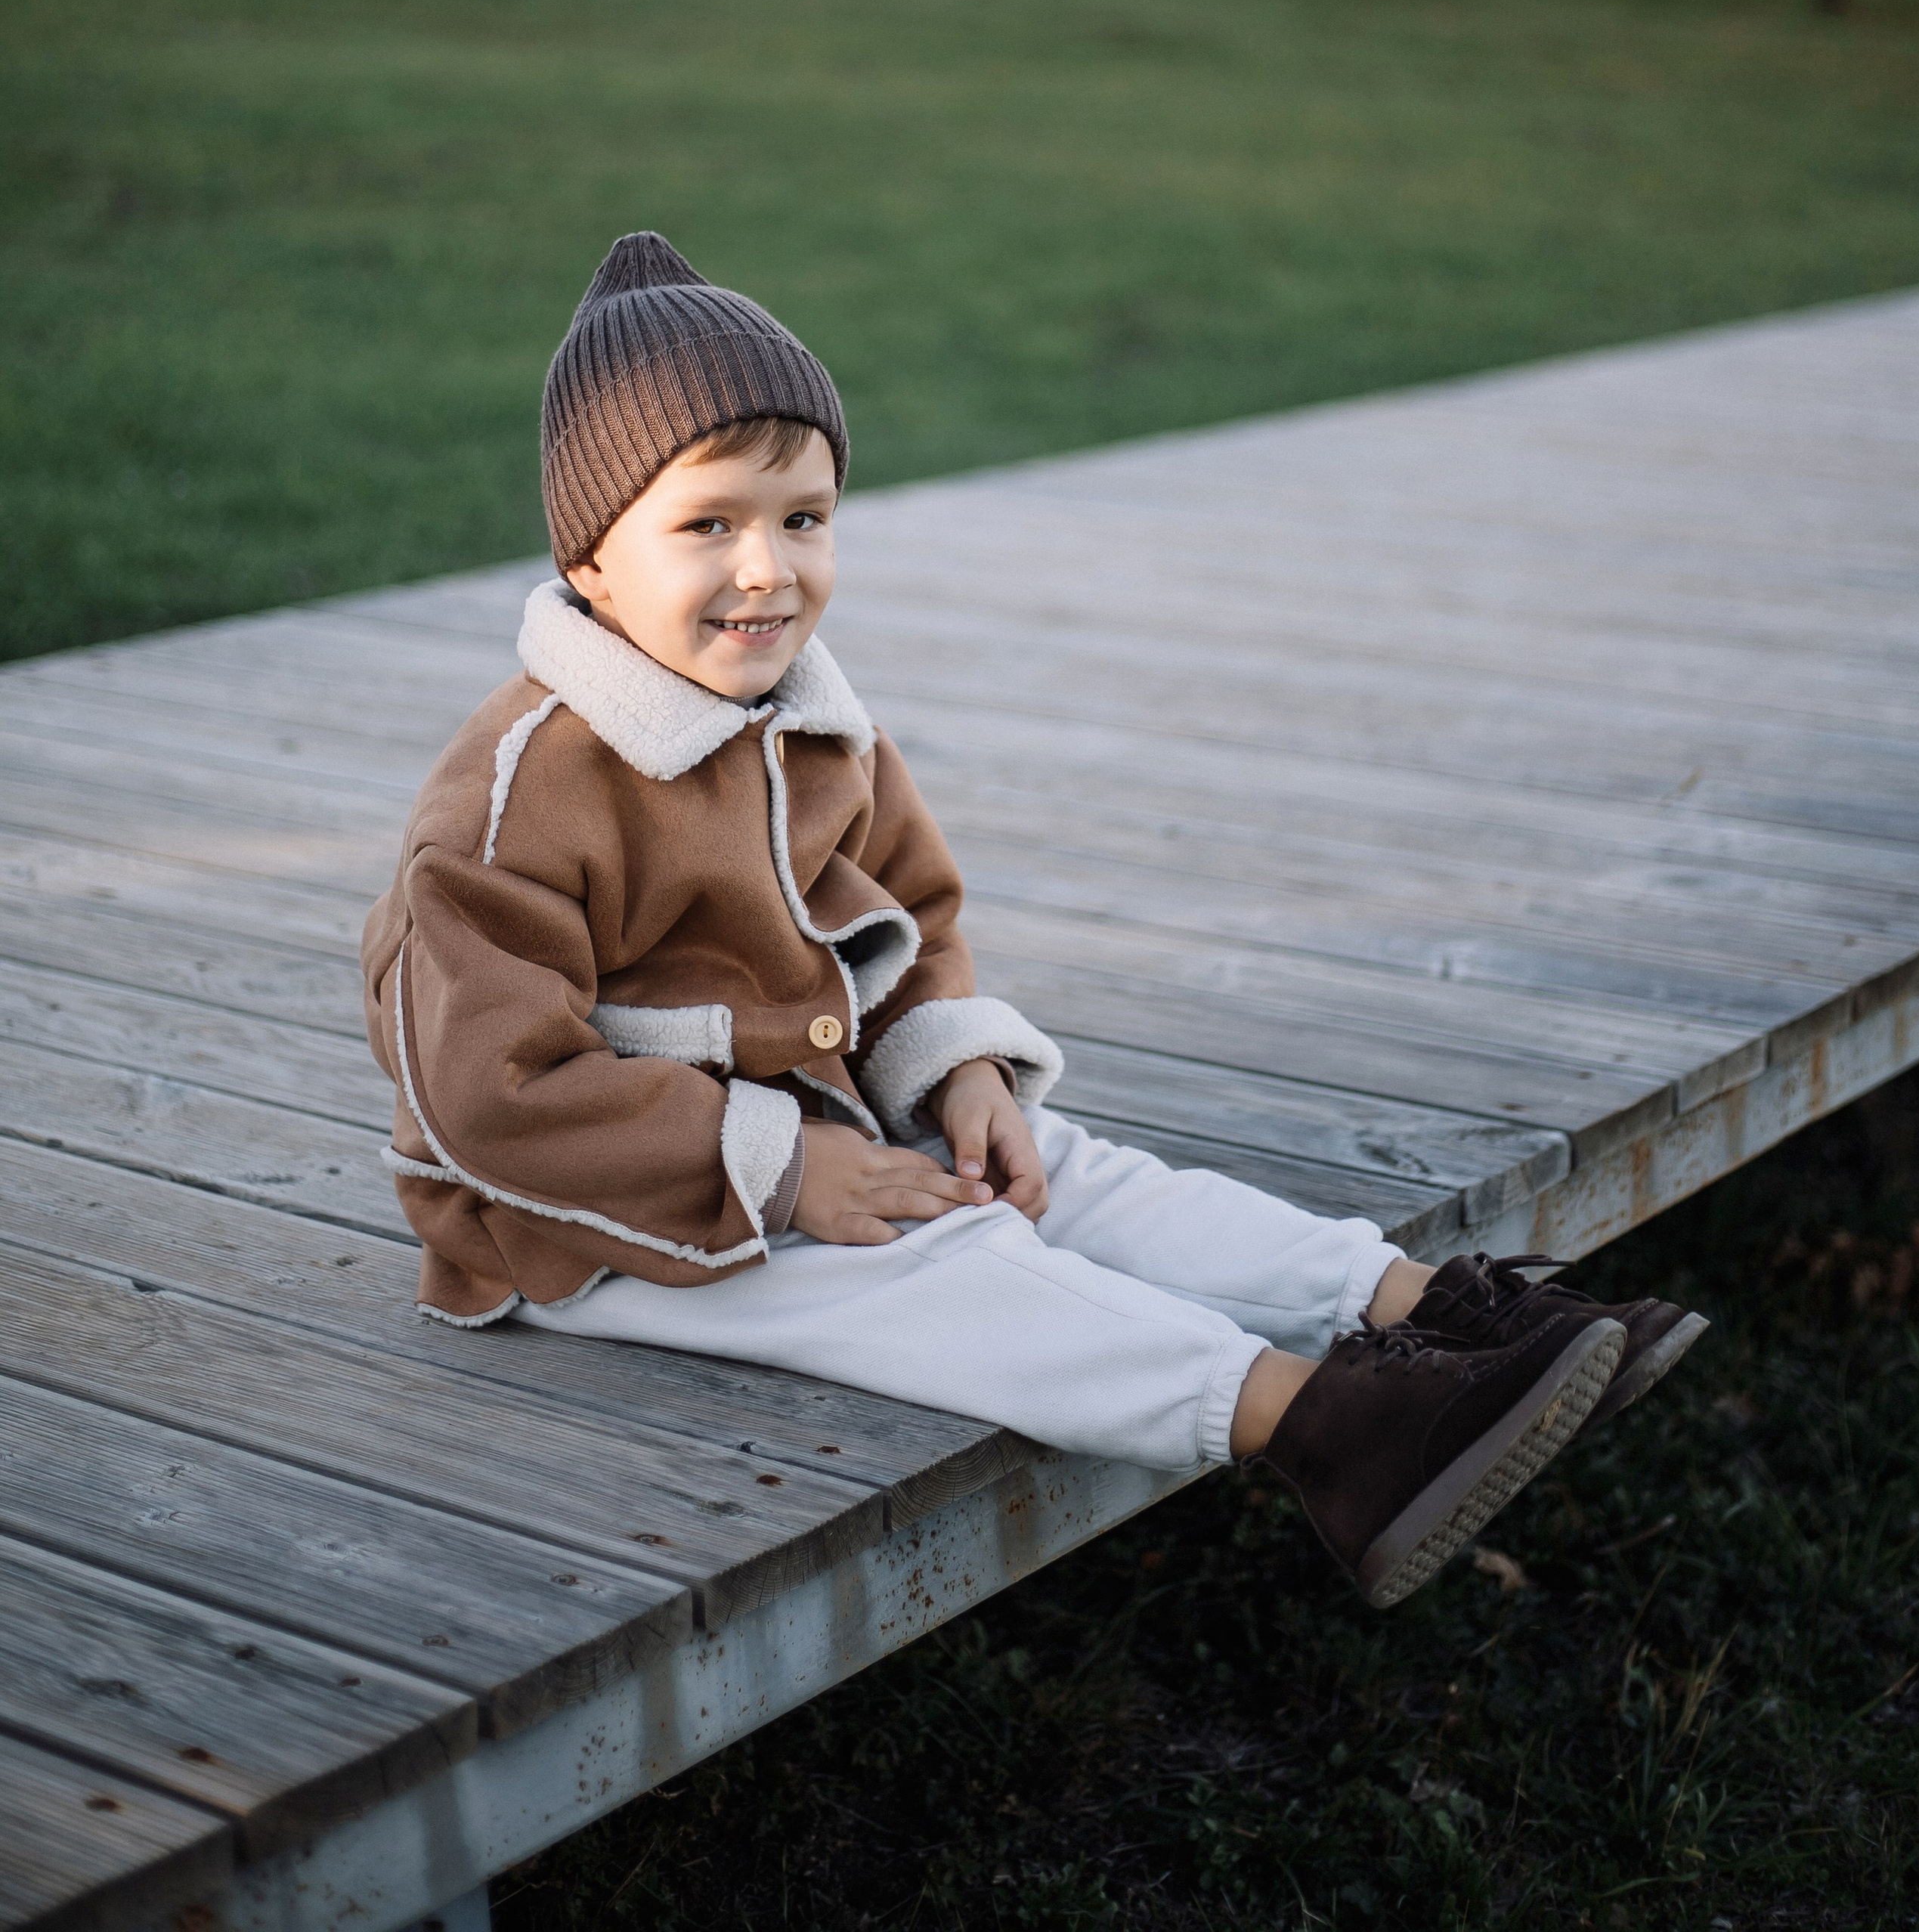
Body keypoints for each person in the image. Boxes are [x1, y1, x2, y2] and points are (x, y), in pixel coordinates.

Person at [362, 234, 1706, 1608]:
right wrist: (775, 1170)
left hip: (802, 1116)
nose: (766, 569)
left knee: (1061, 1174)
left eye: (806, 519)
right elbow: (486, 1095)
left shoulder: (815, 725)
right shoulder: (525, 788)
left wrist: (959, 1072)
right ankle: (1328, 1430)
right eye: (708, 525)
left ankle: (1439, 1314)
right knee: (939, 1266)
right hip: (579, 1216)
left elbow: (910, 922)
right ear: (590, 563)